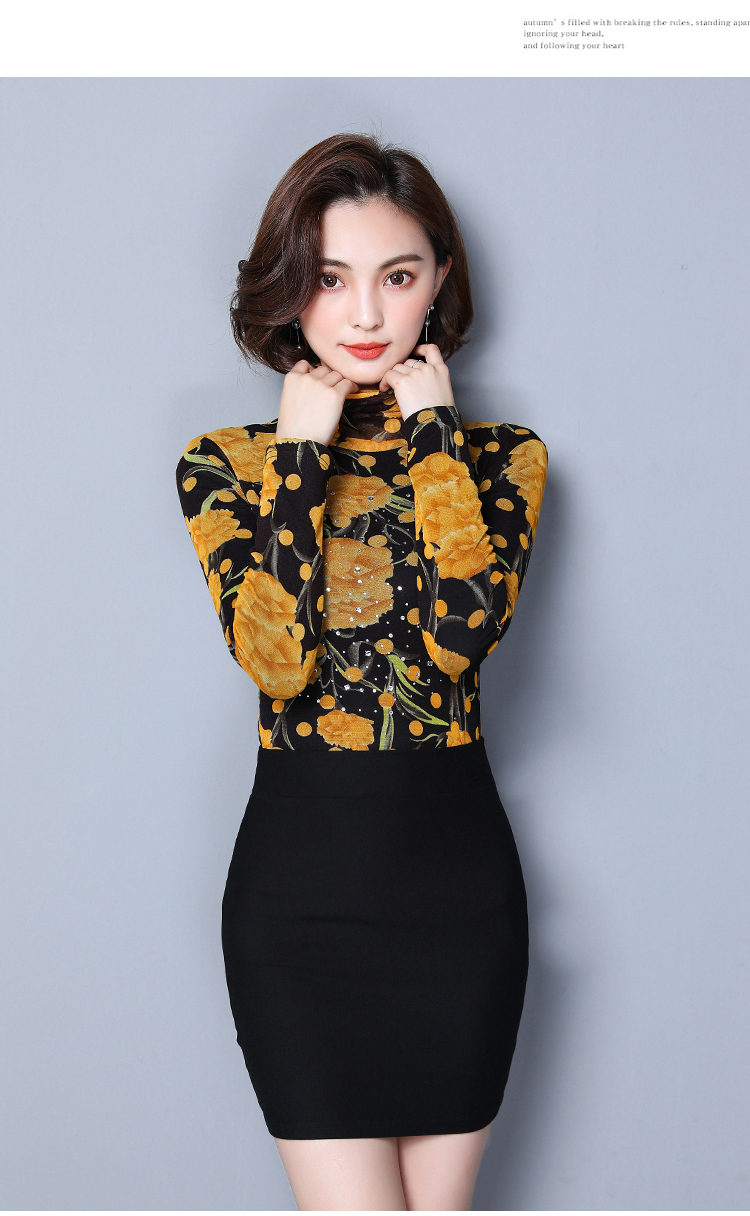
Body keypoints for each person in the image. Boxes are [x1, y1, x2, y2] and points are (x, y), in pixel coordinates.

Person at [176, 132, 548, 1211]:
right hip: (300, 898)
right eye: (332, 279)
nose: (368, 314)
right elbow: (276, 660)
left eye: (398, 275)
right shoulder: (226, 463)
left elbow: (460, 639)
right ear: (289, 286)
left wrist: (434, 434)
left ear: (440, 281)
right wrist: (299, 452)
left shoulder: (502, 458)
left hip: (456, 894)